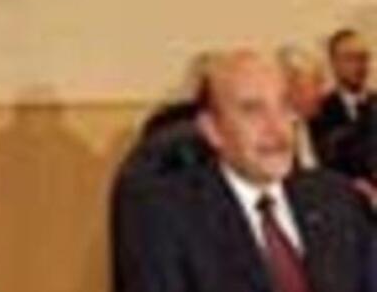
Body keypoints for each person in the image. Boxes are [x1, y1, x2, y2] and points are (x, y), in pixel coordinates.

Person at [113, 50, 373, 292]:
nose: (276, 128)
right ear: (212, 130)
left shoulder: (336, 198)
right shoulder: (168, 218)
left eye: (284, 106)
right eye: (252, 110)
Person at [277, 45, 326, 170]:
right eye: (317, 82)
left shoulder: (320, 126)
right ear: (291, 85)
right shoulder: (273, 133)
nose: (323, 92)